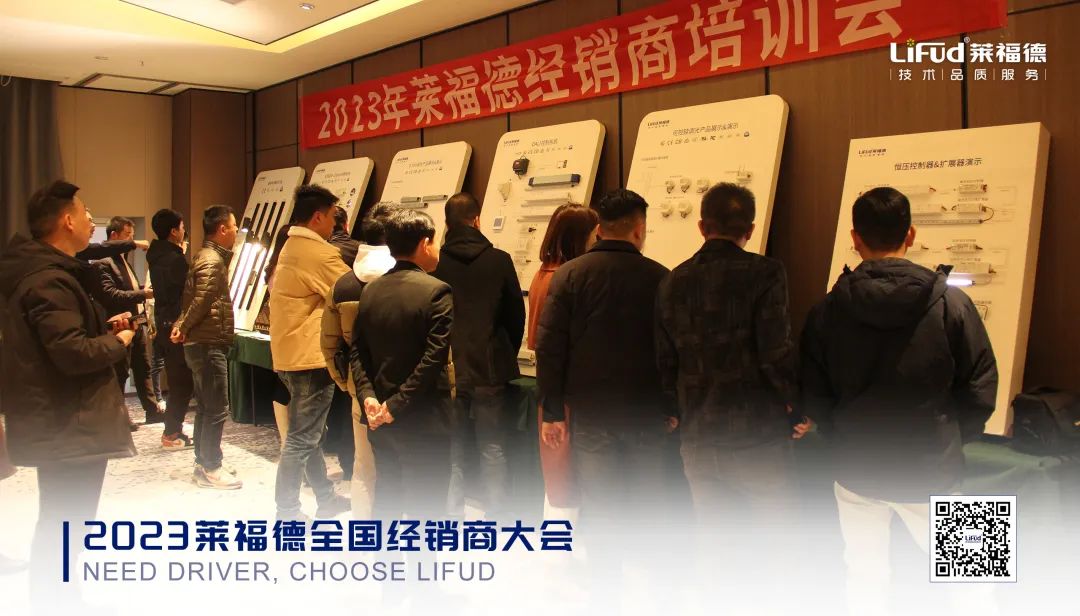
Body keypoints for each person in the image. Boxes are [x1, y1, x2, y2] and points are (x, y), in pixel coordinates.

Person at [800, 186, 998, 616]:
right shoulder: (952, 302)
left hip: (856, 466)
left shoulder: (827, 310)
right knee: (977, 579)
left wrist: (841, 434)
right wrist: (950, 436)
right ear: (910, 234)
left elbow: (815, 394)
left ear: (855, 238)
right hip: (934, 463)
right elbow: (981, 386)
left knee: (863, 577)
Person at [654, 183, 809, 596]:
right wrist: (795, 406)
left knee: (716, 547)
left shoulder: (672, 281)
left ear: (702, 226)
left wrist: (673, 412)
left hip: (699, 436)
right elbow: (775, 351)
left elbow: (665, 361)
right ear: (750, 229)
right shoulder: (766, 273)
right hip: (758, 436)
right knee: (779, 546)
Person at [0, 180, 136, 604]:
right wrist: (119, 341)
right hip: (68, 424)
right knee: (66, 522)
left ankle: (60, 600)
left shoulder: (48, 274)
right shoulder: (48, 280)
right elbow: (71, 353)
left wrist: (101, 331)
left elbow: (63, 342)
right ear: (67, 221)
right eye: (85, 210)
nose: (91, 219)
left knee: (65, 522)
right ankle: (55, 603)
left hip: (65, 422)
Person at [535, 188, 674, 599]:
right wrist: (672, 404)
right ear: (639, 229)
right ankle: (650, 585)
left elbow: (551, 348)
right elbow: (672, 350)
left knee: (599, 499)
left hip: (591, 413)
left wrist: (553, 411)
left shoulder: (570, 275)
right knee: (648, 497)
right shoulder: (660, 277)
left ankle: (605, 586)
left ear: (599, 229)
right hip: (646, 412)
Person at [349, 209, 453, 523]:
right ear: (424, 244)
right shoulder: (437, 291)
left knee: (387, 500)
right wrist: (396, 406)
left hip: (379, 418)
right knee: (428, 510)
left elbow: (358, 352)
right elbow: (433, 359)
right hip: (423, 419)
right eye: (434, 242)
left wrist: (368, 397)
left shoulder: (371, 289)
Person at [432, 192, 525, 518]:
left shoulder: (435, 265)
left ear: (447, 224)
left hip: (449, 369)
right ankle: (497, 518)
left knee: (453, 449)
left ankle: (451, 516)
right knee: (493, 446)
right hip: (490, 367)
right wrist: (504, 352)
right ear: (477, 220)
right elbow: (516, 316)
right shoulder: (499, 260)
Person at [270, 185, 352, 521]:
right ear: (317, 217)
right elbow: (351, 289)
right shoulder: (318, 253)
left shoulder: (292, 245)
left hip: (290, 354)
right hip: (310, 357)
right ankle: (287, 511)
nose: (334, 223)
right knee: (302, 438)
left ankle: (326, 498)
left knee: (310, 435)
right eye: (332, 216)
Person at [320, 203, 395, 519]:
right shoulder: (410, 280)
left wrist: (346, 382)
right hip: (405, 391)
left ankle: (366, 534)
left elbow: (329, 344)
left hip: (361, 390)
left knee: (364, 467)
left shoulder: (342, 285)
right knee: (404, 469)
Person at [526, 203, 598, 510]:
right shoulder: (566, 279)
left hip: (552, 387)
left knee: (557, 476)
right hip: (567, 388)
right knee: (567, 479)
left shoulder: (542, 274)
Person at [172, 205, 243, 490]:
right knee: (216, 408)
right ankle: (211, 466)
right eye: (234, 226)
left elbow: (193, 300)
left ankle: (205, 461)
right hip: (207, 343)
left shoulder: (205, 256)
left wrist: (183, 324)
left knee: (206, 406)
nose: (237, 231)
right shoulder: (212, 260)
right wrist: (183, 326)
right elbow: (201, 300)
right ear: (222, 229)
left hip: (202, 342)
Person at [90, 216, 163, 425]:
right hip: (119, 326)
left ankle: (152, 410)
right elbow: (110, 295)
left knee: (143, 368)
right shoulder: (103, 262)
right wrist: (143, 294)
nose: (131, 240)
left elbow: (127, 289)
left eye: (132, 235)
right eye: (128, 235)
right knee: (120, 373)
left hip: (136, 322)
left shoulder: (122, 260)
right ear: (114, 236)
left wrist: (141, 293)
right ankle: (119, 417)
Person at [147, 208, 195, 449]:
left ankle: (173, 430)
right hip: (176, 327)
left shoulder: (157, 256)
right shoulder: (174, 260)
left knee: (178, 382)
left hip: (164, 324)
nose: (185, 231)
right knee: (182, 383)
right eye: (182, 227)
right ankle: (171, 433)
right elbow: (185, 295)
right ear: (174, 231)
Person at [324, 205, 361, 483]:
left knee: (343, 405)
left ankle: (346, 460)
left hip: (339, 346)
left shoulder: (324, 253)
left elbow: (328, 339)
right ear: (346, 225)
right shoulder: (356, 252)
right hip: (362, 345)